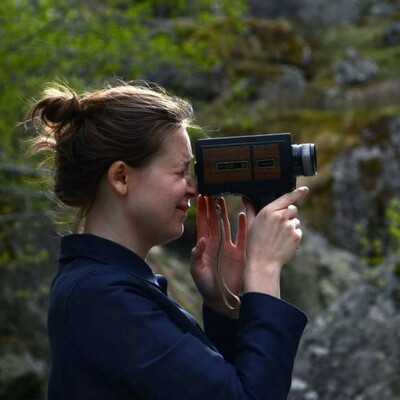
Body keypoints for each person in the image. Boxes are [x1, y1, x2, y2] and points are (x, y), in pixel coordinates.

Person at [28, 81, 310, 400]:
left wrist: (222, 305)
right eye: (180, 172)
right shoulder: (102, 297)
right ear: (121, 177)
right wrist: (264, 267)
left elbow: (215, 387)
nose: (193, 188)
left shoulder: (109, 285)